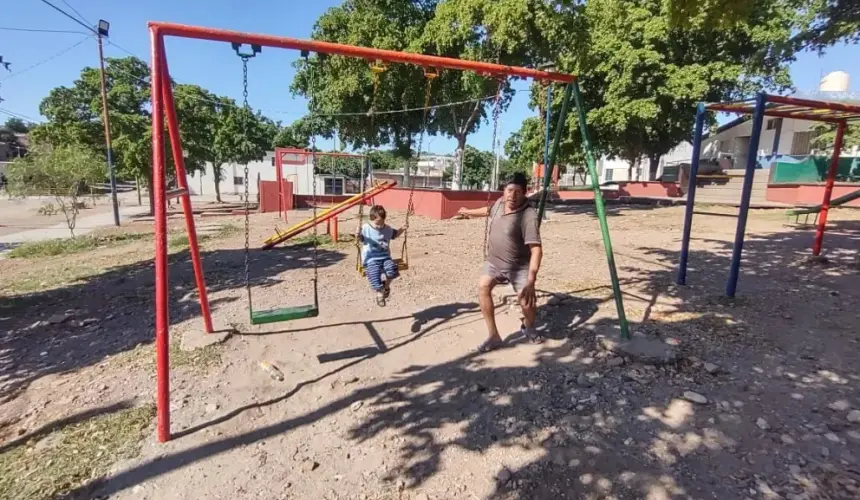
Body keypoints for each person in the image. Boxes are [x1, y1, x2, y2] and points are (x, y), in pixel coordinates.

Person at [458, 172, 543, 352]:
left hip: (518, 266)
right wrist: (467, 212)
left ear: (525, 192)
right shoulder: (499, 203)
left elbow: (536, 249)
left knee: (527, 304)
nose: (512, 195)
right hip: (495, 262)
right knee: (483, 286)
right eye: (509, 190)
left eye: (518, 191)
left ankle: (528, 326)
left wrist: (531, 280)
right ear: (504, 190)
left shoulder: (528, 216)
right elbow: (488, 210)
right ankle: (494, 336)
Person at [356, 205, 406, 306]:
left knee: (392, 269)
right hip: (371, 258)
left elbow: (395, 234)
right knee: (374, 273)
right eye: (377, 223)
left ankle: (386, 287)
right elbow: (360, 239)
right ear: (371, 219)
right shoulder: (366, 228)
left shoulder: (387, 229)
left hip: (385, 257)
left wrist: (403, 228)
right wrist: (357, 234)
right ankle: (379, 292)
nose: (379, 226)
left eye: (382, 222)